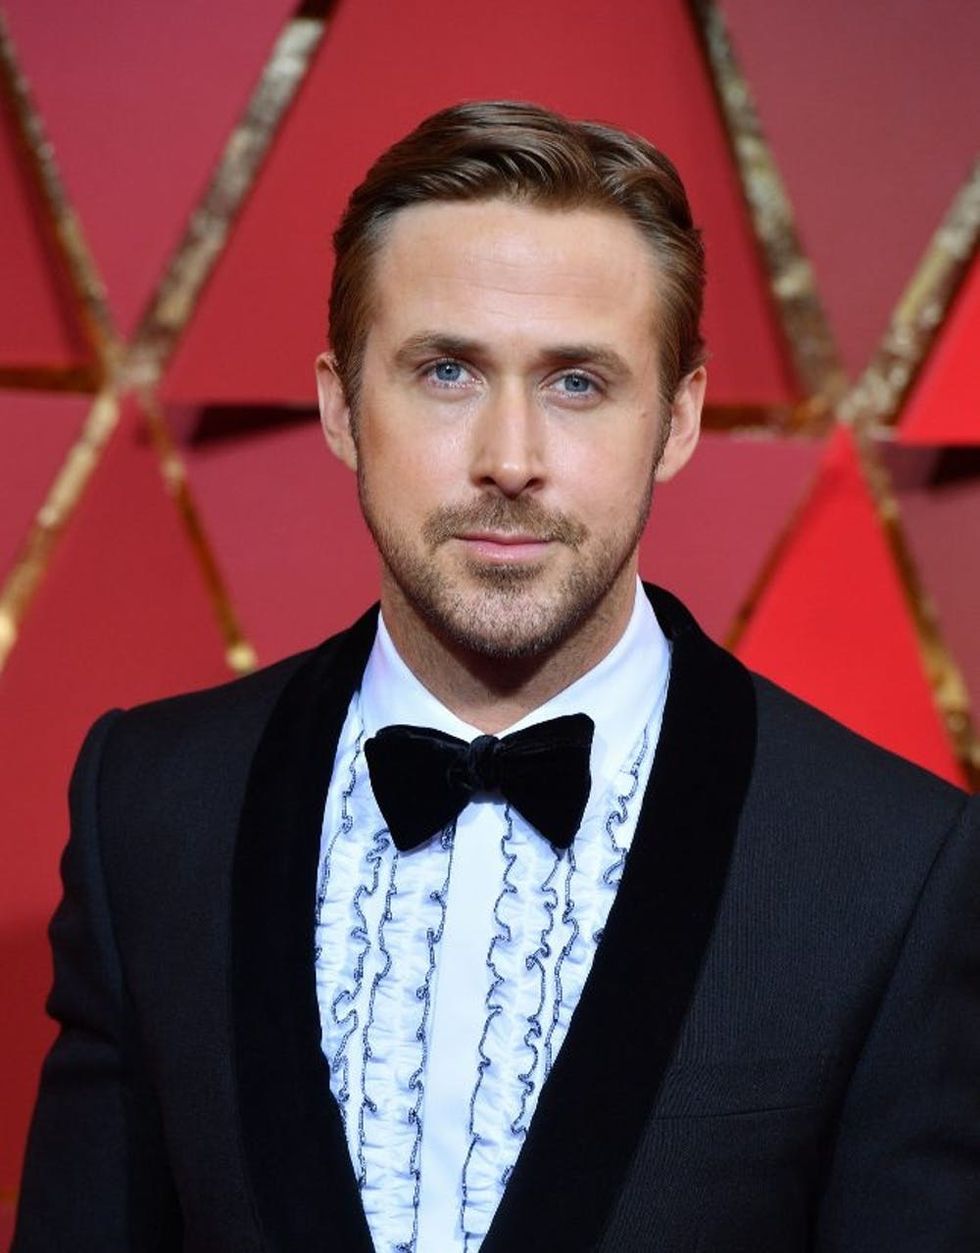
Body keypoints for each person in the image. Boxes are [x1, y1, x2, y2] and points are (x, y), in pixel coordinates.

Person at [13, 100, 979, 1253]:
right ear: (339, 405)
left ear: (676, 418)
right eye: (446, 371)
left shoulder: (890, 866)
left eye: (576, 382)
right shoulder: (149, 805)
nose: (509, 460)